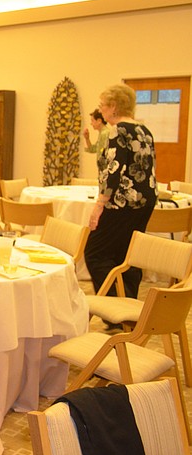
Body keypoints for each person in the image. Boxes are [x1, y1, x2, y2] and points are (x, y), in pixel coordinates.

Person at [85, 84, 157, 303]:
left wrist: (99, 205)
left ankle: (115, 306)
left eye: (102, 106)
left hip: (122, 202)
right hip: (145, 200)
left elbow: (114, 170)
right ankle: (130, 306)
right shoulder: (144, 130)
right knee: (128, 255)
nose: (101, 111)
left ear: (113, 107)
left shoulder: (118, 130)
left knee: (95, 253)